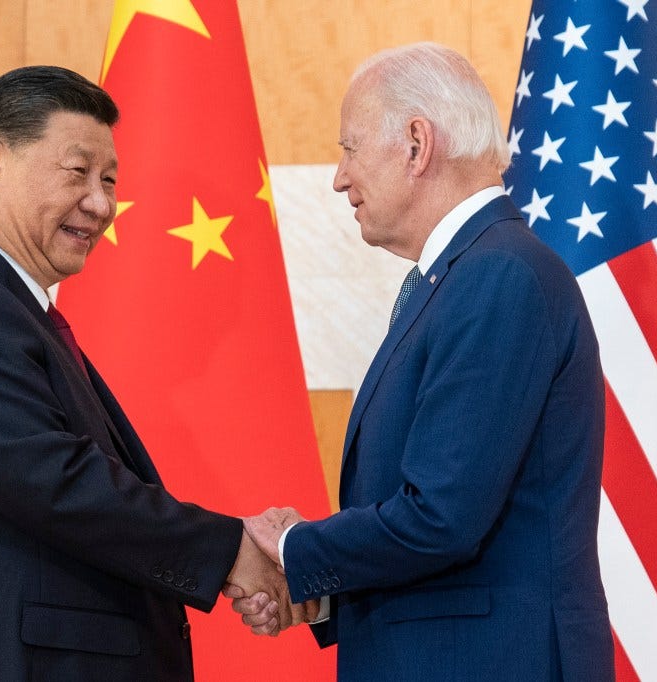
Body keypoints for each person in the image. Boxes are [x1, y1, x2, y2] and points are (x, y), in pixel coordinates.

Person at [0, 65, 295, 681]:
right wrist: (228, 552)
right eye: (78, 173)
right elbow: (56, 483)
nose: (100, 204)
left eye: (110, 180)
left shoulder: (9, 308)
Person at [229, 42, 615, 681]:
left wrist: (295, 549)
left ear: (415, 144)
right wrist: (321, 592)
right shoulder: (464, 277)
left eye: (349, 148)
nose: (338, 177)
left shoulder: (498, 277)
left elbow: (442, 517)